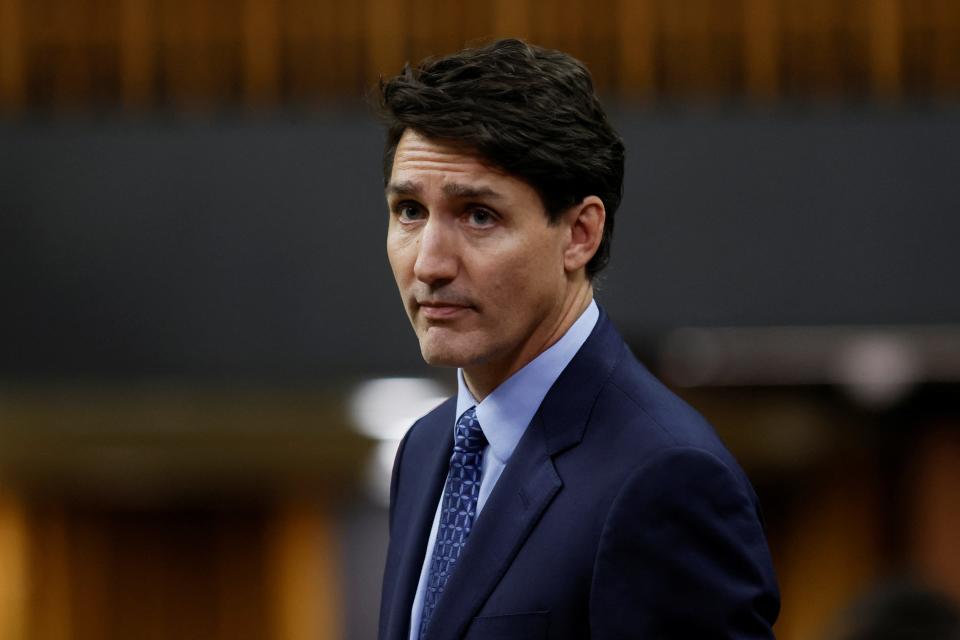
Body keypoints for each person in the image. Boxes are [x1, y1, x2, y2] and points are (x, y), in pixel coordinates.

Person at [376, 38, 780, 640]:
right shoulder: (426, 446)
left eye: (478, 215)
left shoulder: (666, 476)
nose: (429, 263)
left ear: (580, 234)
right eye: (410, 211)